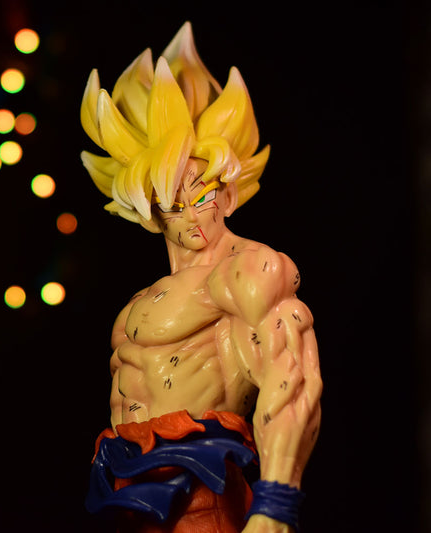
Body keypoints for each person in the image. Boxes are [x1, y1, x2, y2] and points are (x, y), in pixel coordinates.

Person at [81, 22, 322, 533]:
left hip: (199, 493)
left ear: (228, 195)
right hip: (122, 493)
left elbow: (292, 381)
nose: (192, 214)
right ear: (150, 212)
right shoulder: (138, 303)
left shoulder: (245, 271)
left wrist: (275, 506)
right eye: (173, 201)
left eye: (204, 194)